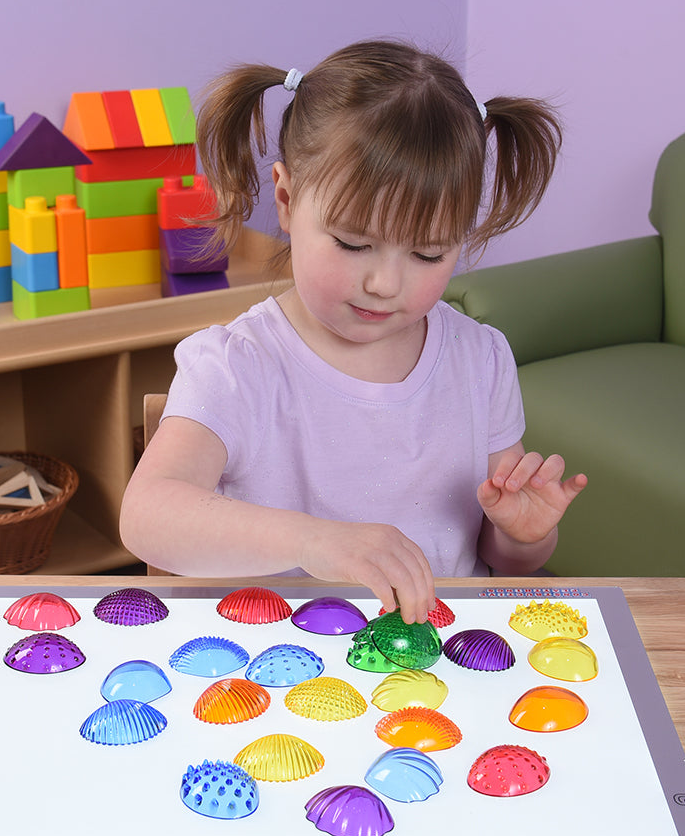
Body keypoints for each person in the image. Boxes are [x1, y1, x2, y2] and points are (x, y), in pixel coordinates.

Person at [120, 39, 587, 624]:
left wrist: (522, 536)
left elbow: (504, 562)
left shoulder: (480, 359)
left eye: (427, 253)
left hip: (434, 665)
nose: (385, 283)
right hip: (282, 668)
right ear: (287, 200)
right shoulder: (238, 365)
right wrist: (315, 542)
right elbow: (147, 516)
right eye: (353, 243)